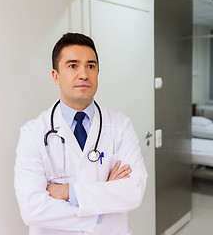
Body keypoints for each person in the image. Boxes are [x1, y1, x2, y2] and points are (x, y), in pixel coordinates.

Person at [14, 32, 148, 235]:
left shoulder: (121, 126)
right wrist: (102, 203)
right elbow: (32, 209)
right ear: (55, 76)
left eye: (91, 66)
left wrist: (66, 192)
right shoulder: (33, 133)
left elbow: (134, 191)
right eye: (72, 65)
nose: (83, 74)